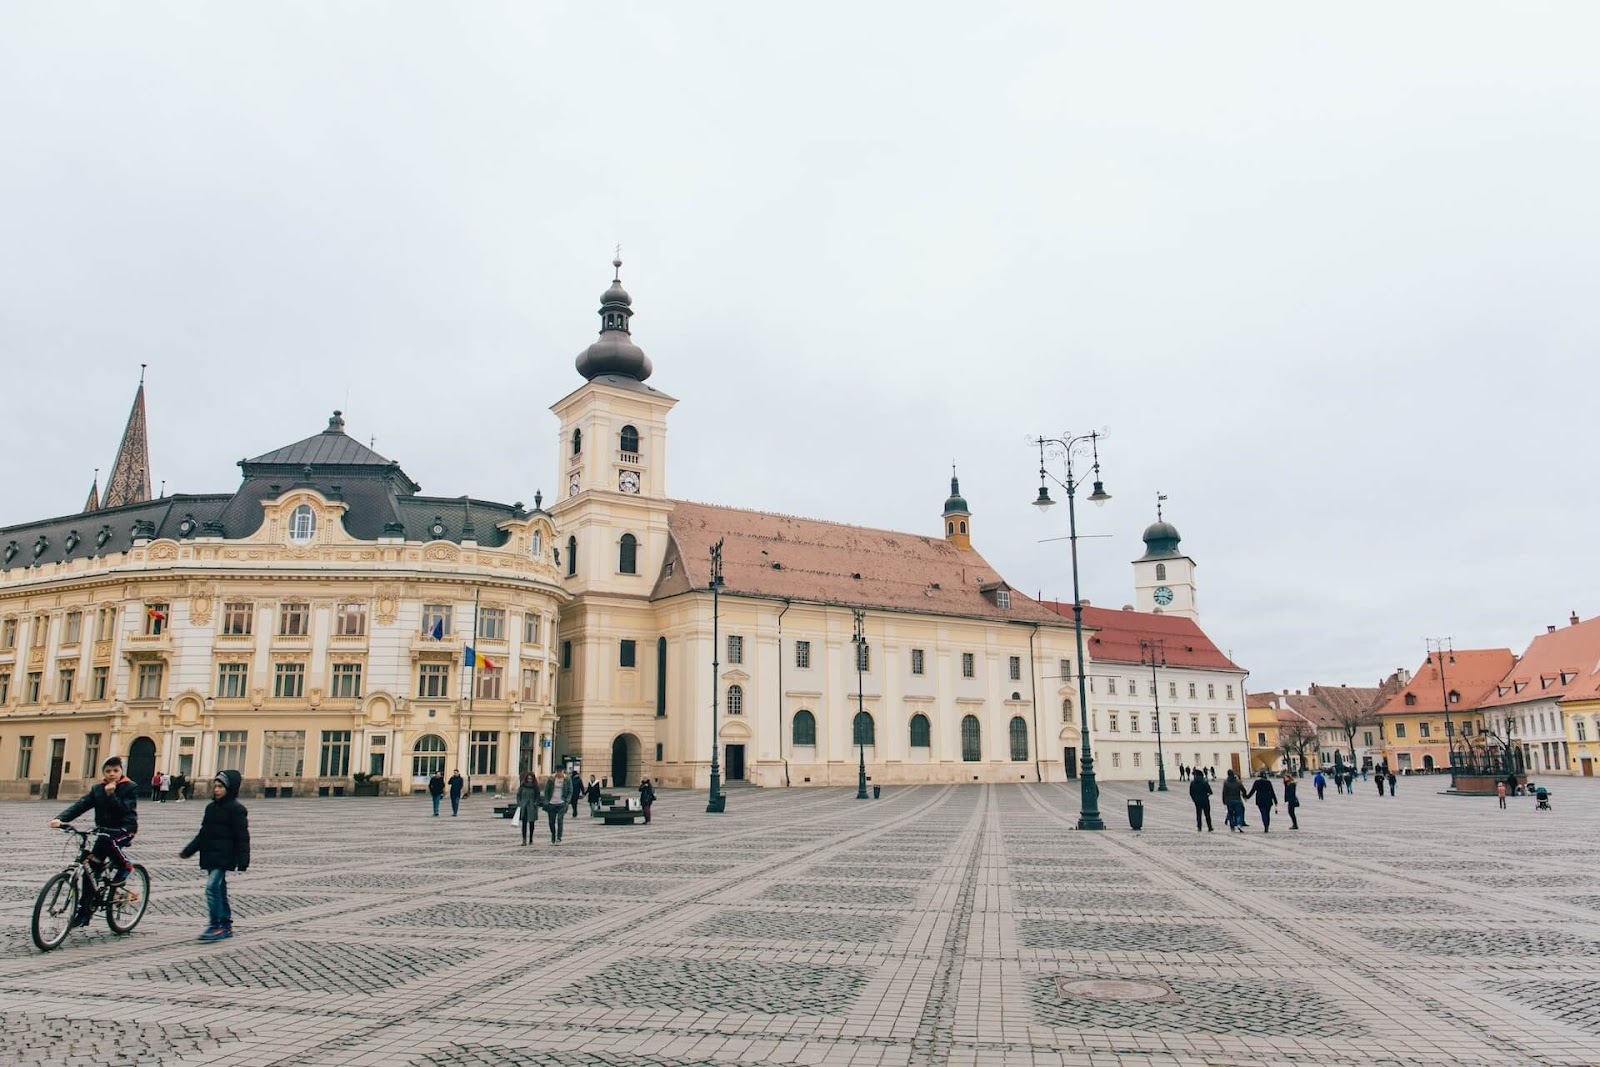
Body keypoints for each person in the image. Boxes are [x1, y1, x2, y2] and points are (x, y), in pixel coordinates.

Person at [51, 756, 139, 921]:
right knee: (90, 870)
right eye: (108, 771)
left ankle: (126, 866)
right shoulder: (98, 789)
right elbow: (81, 805)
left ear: (121, 772)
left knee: (109, 841)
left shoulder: (130, 787)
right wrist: (61, 819)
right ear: (103, 772)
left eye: (115, 770)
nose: (112, 774)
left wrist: (111, 794)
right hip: (104, 830)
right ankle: (84, 912)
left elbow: (124, 810)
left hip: (125, 828)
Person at [179, 769, 250, 942]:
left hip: (224, 856)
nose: (217, 790)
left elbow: (242, 837)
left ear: (230, 788)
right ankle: (225, 924)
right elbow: (203, 833)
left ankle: (215, 924)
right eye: (215, 786)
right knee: (219, 889)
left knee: (211, 887)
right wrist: (189, 850)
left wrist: (243, 860)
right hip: (210, 855)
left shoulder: (237, 809)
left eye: (221, 786)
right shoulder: (210, 808)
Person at [542, 767, 573, 843]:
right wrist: (546, 801)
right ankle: (553, 834)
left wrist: (567, 801)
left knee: (559, 820)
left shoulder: (567, 779)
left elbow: (570, 791)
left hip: (562, 803)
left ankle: (559, 837)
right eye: (557, 772)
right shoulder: (551, 779)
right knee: (551, 822)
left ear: (563, 771)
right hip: (552, 803)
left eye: (560, 772)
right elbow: (547, 791)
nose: (559, 773)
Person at [515, 772, 541, 846]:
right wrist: (519, 803)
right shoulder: (523, 786)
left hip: (532, 807)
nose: (529, 780)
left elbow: (538, 796)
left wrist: (535, 803)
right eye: (528, 778)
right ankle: (524, 839)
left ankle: (531, 838)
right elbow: (518, 795)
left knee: (531, 823)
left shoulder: (535, 787)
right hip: (524, 807)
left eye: (531, 778)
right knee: (524, 823)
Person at [1188, 767, 1214, 832]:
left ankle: (1199, 827)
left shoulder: (1193, 783)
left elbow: (1191, 793)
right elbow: (1210, 792)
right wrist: (1207, 795)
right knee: (1207, 814)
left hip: (1197, 801)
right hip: (1205, 800)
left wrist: (1194, 799)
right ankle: (1209, 826)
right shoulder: (1204, 782)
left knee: (1198, 814)